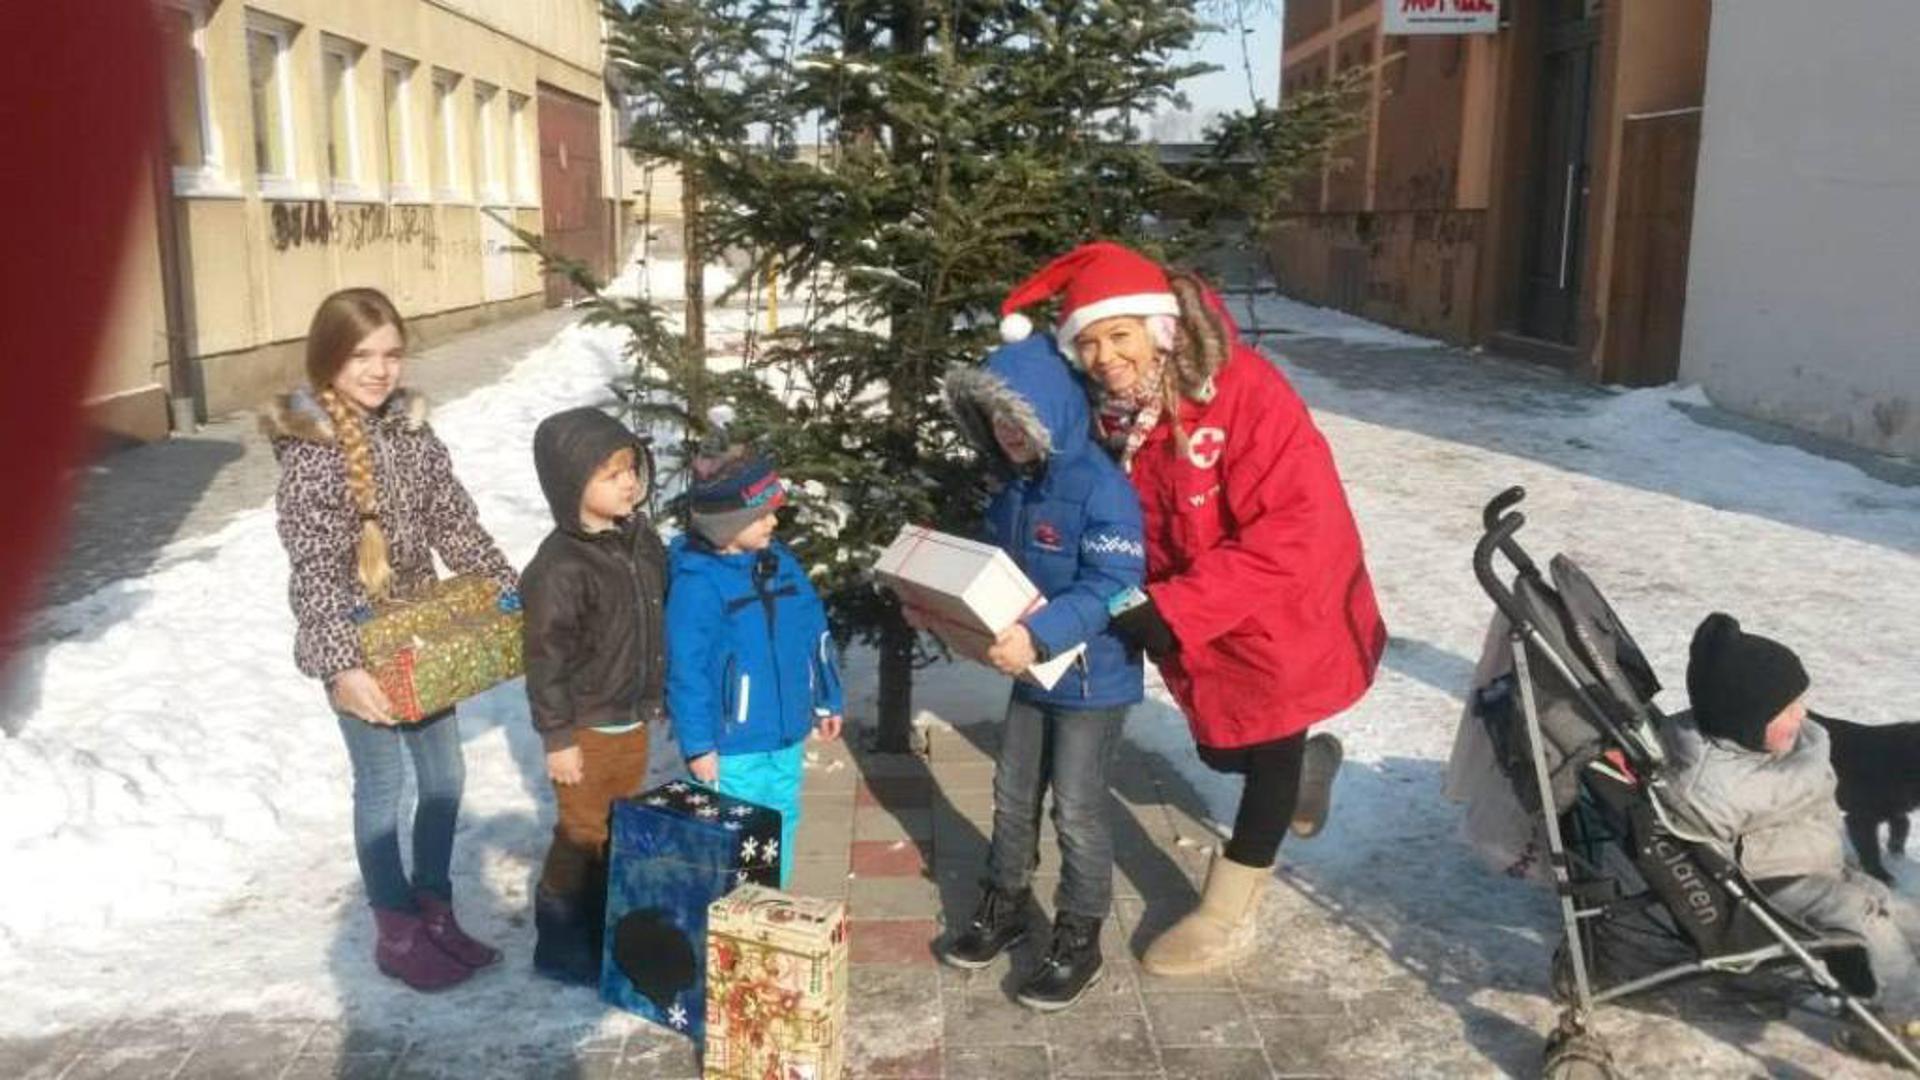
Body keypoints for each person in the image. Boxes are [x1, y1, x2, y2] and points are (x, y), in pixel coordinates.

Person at [996, 241, 1388, 976]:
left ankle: (1228, 912)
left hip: (1281, 601)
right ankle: (1306, 770)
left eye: (1119, 335)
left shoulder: (1247, 393)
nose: (1106, 356)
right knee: (1224, 749)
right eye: (1088, 343)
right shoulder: (1109, 416)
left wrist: (1177, 608)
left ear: (1159, 327)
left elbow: (1294, 526)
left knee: (1269, 742)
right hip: (1193, 614)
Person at [267, 287, 518, 992]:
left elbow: (455, 522)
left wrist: (506, 589)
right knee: (382, 785)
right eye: (361, 355)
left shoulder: (413, 433)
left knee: (445, 778)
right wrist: (342, 669)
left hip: (420, 640)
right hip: (355, 646)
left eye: (391, 354)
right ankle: (396, 932)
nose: (379, 370)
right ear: (328, 359)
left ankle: (435, 910)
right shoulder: (312, 453)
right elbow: (315, 572)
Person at [936, 335, 1147, 1011]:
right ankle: (1005, 901)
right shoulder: (1014, 489)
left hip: (1093, 678)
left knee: (1078, 808)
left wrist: (1038, 635)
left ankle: (1080, 935)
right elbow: (997, 571)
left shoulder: (1103, 490)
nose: (1006, 430)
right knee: (1013, 790)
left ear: (1052, 412)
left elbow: (1114, 584)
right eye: (995, 417)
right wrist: (946, 605)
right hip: (1034, 673)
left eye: (1018, 416)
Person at [1662, 613, 1920, 1054]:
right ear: (1745, 720)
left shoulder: (1759, 744)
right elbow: (1708, 826)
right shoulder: (1714, 783)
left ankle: (1895, 986)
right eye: (1788, 710)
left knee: (1900, 910)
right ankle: (1902, 1018)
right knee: (1867, 918)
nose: (1803, 715)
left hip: (1814, 865)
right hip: (1770, 887)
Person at [520, 407, 666, 985]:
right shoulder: (559, 567)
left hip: (630, 721)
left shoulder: (640, 541)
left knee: (616, 826)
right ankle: (559, 940)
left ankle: (601, 922)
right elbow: (545, 659)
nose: (628, 482)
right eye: (611, 474)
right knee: (581, 833)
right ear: (571, 485)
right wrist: (558, 738)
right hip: (584, 728)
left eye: (631, 468)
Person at [664, 424, 844, 887]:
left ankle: (770, 903)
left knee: (781, 818)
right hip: (733, 743)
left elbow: (814, 630)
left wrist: (826, 698)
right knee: (735, 832)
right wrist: (698, 744)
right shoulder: (698, 583)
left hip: (786, 732)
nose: (773, 523)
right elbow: (686, 670)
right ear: (726, 524)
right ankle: (728, 915)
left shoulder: (781, 563)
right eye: (761, 516)